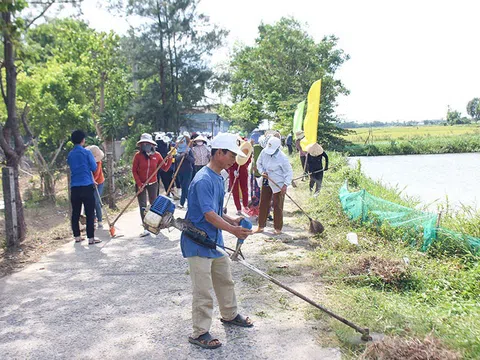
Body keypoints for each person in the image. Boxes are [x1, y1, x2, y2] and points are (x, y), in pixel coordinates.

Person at [181, 132, 253, 350]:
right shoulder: (203, 179)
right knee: (203, 290)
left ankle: (229, 315)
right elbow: (208, 215)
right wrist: (232, 229)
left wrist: (233, 219)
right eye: (231, 154)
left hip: (214, 241)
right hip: (197, 242)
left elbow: (218, 211)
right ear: (219, 153)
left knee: (225, 280)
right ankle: (200, 332)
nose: (233, 159)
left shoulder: (218, 177)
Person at [132, 133, 172, 236]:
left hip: (153, 183)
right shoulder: (138, 156)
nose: (145, 145)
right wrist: (140, 184)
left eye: (147, 143)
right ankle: (145, 227)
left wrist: (170, 158)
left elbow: (165, 168)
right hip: (141, 184)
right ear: (141, 145)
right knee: (143, 205)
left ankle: (154, 224)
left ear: (152, 144)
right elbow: (134, 171)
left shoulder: (157, 155)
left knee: (154, 204)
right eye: (143, 143)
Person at [67, 130, 101, 245]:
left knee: (75, 213)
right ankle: (90, 238)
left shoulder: (70, 154)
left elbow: (70, 166)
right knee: (90, 212)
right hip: (86, 185)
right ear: (83, 140)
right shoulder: (86, 153)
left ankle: (77, 236)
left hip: (75, 186)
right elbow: (94, 167)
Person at [254, 136, 293, 235]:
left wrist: (285, 185)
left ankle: (278, 228)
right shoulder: (264, 152)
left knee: (278, 205)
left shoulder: (282, 158)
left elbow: (289, 172)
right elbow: (259, 163)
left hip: (278, 183)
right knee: (263, 203)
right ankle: (261, 226)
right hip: (267, 180)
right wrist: (262, 172)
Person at [227, 139, 252, 216]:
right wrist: (232, 170)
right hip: (233, 172)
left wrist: (245, 165)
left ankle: (245, 205)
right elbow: (228, 161)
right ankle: (238, 208)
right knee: (235, 190)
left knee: (244, 188)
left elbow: (248, 159)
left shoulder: (244, 149)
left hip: (243, 170)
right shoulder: (231, 150)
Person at [86, 145, 105, 229]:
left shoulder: (98, 162)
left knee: (96, 200)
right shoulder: (87, 162)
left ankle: (100, 220)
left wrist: (93, 181)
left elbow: (96, 175)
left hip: (99, 182)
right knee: (89, 201)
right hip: (89, 183)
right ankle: (92, 219)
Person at [175, 135, 195, 209]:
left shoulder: (188, 150)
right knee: (183, 187)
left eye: (182, 142)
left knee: (185, 187)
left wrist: (186, 156)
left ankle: (182, 203)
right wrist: (181, 155)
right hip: (179, 171)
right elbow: (176, 160)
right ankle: (191, 202)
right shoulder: (177, 150)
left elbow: (193, 160)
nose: (181, 143)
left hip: (188, 171)